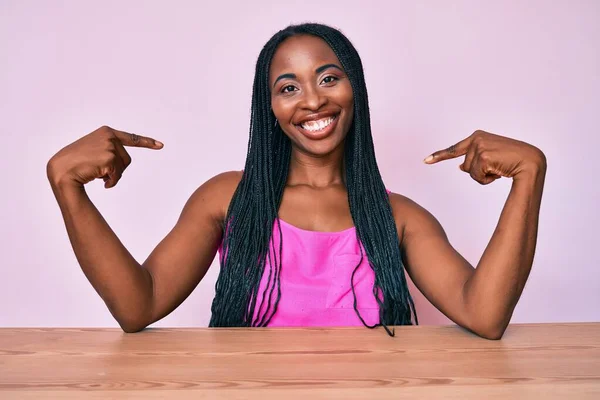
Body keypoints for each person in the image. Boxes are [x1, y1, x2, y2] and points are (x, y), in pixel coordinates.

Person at [46, 23, 546, 339]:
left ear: (356, 89)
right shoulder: (227, 198)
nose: (312, 100)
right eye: (289, 87)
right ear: (270, 108)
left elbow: (484, 316)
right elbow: (139, 305)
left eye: (329, 78)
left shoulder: (400, 216)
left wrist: (528, 174)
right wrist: (68, 186)